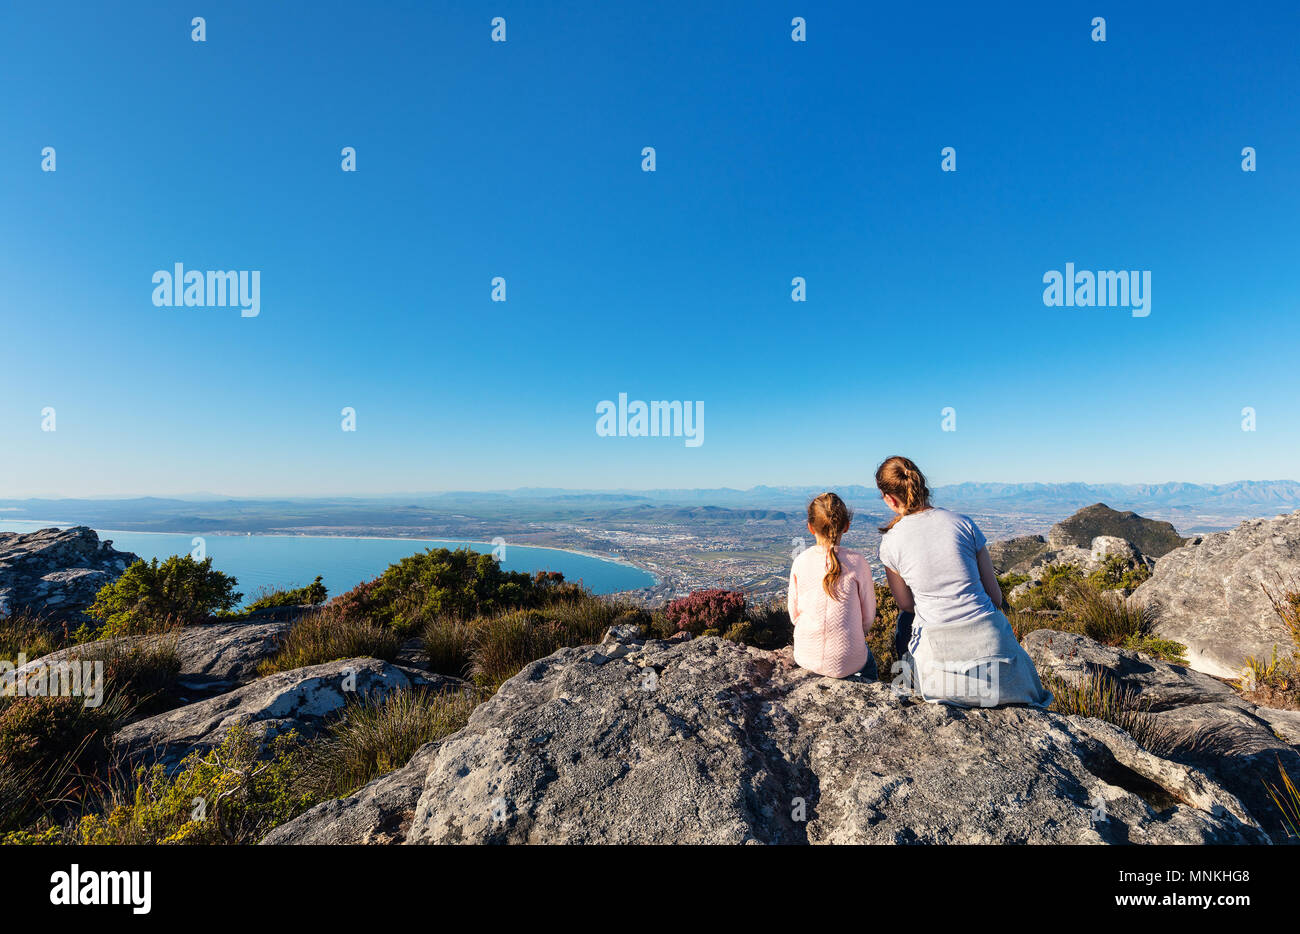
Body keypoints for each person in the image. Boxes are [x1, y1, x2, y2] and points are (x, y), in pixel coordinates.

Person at [875, 455, 1051, 708]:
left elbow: (906, 604)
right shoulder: (964, 523)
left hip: (943, 682)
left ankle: (911, 689)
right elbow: (996, 599)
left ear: (890, 499)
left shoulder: (891, 542)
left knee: (905, 622)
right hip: (1005, 672)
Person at [787, 492, 877, 679]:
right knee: (870, 667)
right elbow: (868, 617)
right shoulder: (858, 562)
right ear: (846, 526)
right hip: (849, 660)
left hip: (806, 655)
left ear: (810, 528)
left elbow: (794, 615)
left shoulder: (801, 561)